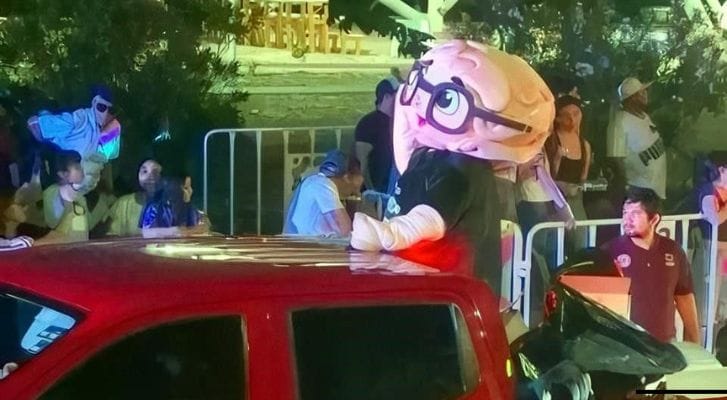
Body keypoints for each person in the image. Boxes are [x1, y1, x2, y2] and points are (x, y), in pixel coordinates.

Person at [601, 188, 700, 343]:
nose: (627, 219)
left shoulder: (673, 250)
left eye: (635, 213)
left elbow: (684, 296)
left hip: (665, 344)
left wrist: (694, 341)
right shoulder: (610, 252)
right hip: (625, 344)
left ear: (654, 219)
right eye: (625, 213)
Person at [27, 85, 121, 194]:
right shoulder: (79, 120)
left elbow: (106, 159)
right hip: (62, 187)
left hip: (86, 191)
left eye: (112, 110)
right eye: (102, 107)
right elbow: (34, 123)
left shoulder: (112, 129)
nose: (107, 114)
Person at [606, 77, 667, 199]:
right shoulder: (619, 123)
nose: (646, 94)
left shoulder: (644, 116)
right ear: (632, 98)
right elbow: (616, 159)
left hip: (655, 189)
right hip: (638, 191)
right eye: (641, 92)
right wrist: (627, 188)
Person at [546, 95, 591, 251]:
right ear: (558, 118)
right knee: (554, 244)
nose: (572, 119)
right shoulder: (551, 141)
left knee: (582, 239)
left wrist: (580, 187)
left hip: (575, 199)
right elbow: (546, 177)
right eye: (566, 115)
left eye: (576, 114)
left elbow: (583, 177)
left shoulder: (585, 145)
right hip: (554, 200)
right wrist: (557, 160)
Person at [283, 149, 363, 237]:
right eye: (353, 191)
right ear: (346, 178)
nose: (353, 194)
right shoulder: (321, 184)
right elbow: (343, 229)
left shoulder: (314, 181)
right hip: (303, 243)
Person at [697, 151, 727, 325]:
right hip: (714, 249)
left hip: (725, 253)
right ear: (722, 170)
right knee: (711, 296)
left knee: (723, 296)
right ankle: (706, 331)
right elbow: (714, 219)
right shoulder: (708, 190)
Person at [354, 78, 398, 194]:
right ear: (387, 96)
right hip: (376, 191)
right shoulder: (369, 123)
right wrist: (371, 190)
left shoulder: (398, 123)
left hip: (394, 190)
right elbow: (362, 161)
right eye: (397, 95)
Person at [40, 150, 90, 243]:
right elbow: (52, 222)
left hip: (81, 248)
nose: (82, 170)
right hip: (60, 248)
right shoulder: (51, 193)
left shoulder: (80, 196)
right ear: (63, 174)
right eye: (77, 168)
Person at [106, 159, 162, 237]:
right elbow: (112, 236)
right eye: (145, 172)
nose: (150, 177)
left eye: (155, 172)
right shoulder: (123, 204)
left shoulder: (171, 204)